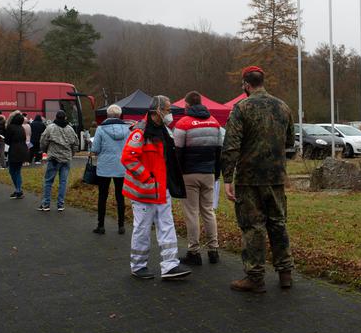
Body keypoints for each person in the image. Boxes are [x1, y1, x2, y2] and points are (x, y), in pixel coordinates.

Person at [221, 66, 295, 293]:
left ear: (246, 84)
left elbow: (231, 145)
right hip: (275, 178)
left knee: (253, 227)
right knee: (277, 223)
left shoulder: (241, 108)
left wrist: (227, 178)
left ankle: (255, 277)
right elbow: (290, 141)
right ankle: (285, 273)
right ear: (262, 81)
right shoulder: (283, 107)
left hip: (249, 179)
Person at [120, 95, 191, 280]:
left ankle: (170, 265)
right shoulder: (140, 132)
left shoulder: (165, 131)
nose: (170, 113)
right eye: (167, 110)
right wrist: (147, 177)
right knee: (142, 229)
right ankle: (138, 265)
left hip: (161, 189)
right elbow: (128, 158)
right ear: (157, 110)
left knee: (167, 226)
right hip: (144, 191)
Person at [173, 90, 223, 265]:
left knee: (192, 213)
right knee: (208, 211)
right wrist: (216, 173)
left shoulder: (183, 123)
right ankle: (213, 250)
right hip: (208, 173)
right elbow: (219, 151)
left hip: (189, 174)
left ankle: (194, 252)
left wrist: (176, 175)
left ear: (187, 105)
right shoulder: (214, 122)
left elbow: (177, 152)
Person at [89, 104, 130, 234]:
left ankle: (101, 225)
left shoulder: (101, 129)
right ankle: (121, 225)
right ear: (120, 115)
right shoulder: (128, 129)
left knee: (103, 196)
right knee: (120, 196)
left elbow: (95, 149)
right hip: (121, 166)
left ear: (107, 115)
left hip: (105, 166)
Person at [38, 110, 79, 211]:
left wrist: (45, 150)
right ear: (65, 118)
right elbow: (75, 143)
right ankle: (60, 204)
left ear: (56, 117)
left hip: (53, 158)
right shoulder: (70, 129)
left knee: (48, 181)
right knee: (63, 182)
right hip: (66, 159)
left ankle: (46, 204)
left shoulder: (50, 128)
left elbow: (43, 141)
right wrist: (71, 154)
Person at [4, 111, 28, 199]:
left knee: (12, 171)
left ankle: (18, 190)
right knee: (17, 171)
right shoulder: (21, 128)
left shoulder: (10, 127)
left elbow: (7, 140)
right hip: (23, 150)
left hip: (14, 150)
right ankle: (18, 189)